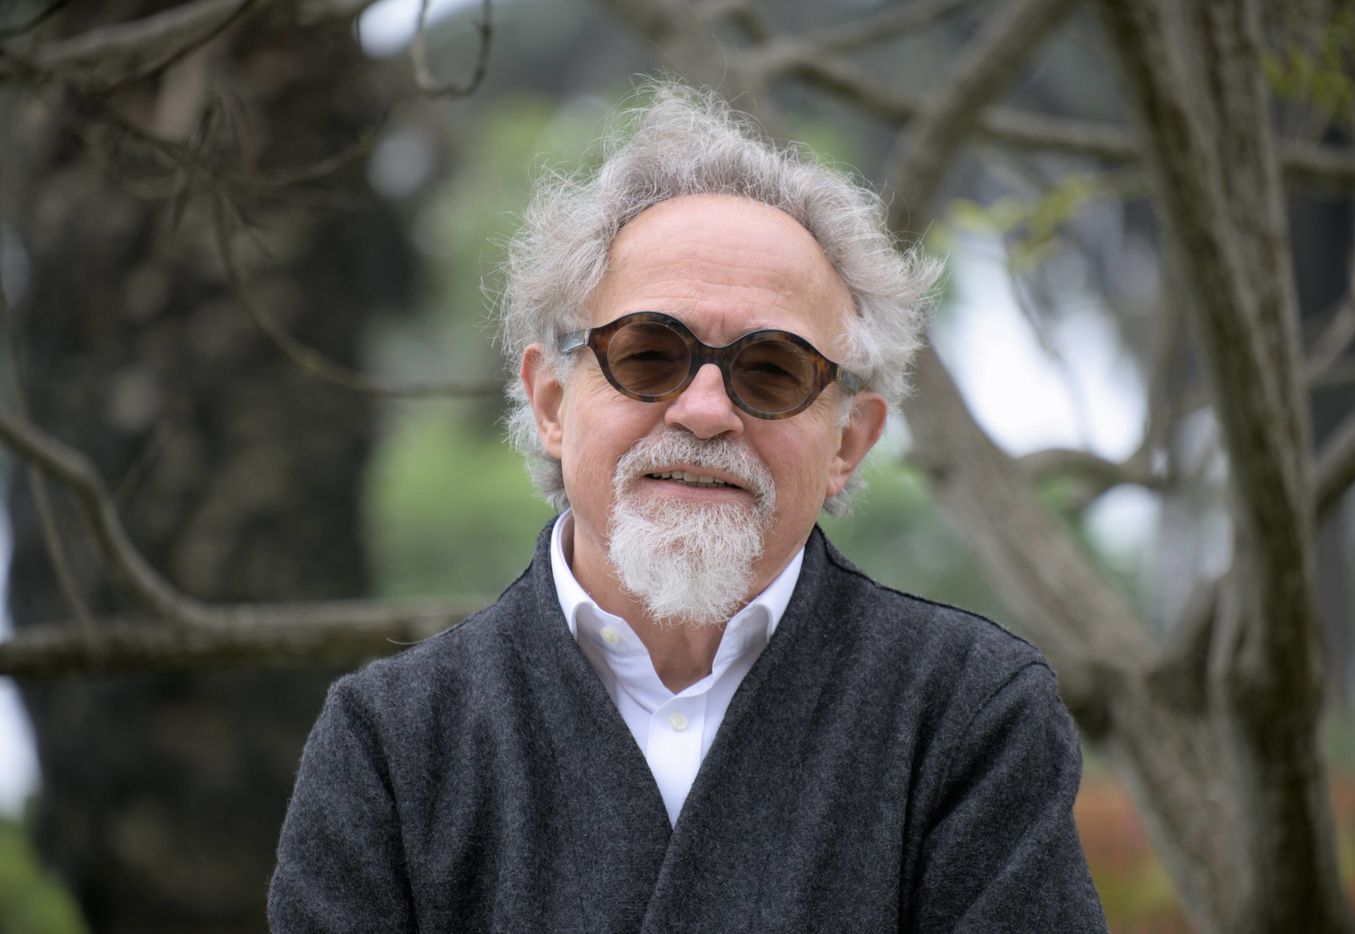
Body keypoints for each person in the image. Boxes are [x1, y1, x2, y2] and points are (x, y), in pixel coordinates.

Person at [268, 83, 1107, 932]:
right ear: (552, 403)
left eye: (771, 370)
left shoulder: (970, 717)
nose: (705, 413)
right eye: (648, 355)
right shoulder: (390, 744)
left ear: (849, 444)